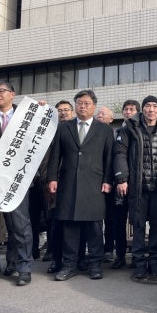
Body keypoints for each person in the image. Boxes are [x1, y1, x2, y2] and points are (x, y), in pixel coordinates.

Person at [47, 89, 113, 281]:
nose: (82, 106)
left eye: (86, 103)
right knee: (70, 226)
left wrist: (108, 180)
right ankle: (69, 265)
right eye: (79, 103)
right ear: (75, 106)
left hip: (94, 185)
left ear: (93, 106)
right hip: (68, 184)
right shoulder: (64, 128)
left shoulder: (104, 130)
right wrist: (52, 178)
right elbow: (55, 155)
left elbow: (109, 158)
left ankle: (95, 264)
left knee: (94, 228)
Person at [113, 95, 157, 279]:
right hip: (138, 187)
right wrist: (122, 178)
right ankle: (139, 262)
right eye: (148, 106)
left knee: (156, 225)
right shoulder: (130, 128)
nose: (151, 110)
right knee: (139, 225)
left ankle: (154, 261)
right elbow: (120, 154)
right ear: (143, 109)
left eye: (154, 106)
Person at [0, 81, 34, 286]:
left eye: (2, 91)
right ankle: (10, 262)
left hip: (16, 181)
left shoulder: (26, 118)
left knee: (20, 225)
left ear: (12, 94)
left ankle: (23, 267)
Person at [44, 100, 75, 274]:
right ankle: (56, 259)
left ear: (72, 112)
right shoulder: (49, 131)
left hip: (75, 184)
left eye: (66, 110)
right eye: (59, 110)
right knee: (55, 224)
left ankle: (77, 258)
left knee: (76, 224)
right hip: (54, 184)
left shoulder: (77, 129)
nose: (63, 113)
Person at [111, 99, 140, 270]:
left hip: (137, 184)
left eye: (132, 109)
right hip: (120, 184)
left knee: (137, 221)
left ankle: (137, 257)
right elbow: (116, 156)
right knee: (118, 222)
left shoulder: (140, 130)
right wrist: (120, 179)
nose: (128, 112)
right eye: (126, 109)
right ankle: (120, 255)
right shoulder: (117, 131)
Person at [96, 106, 115, 263]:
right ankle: (94, 249)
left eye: (103, 114)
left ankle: (109, 249)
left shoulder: (114, 134)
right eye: (99, 113)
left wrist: (108, 180)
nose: (99, 115)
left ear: (111, 119)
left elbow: (111, 160)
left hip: (108, 182)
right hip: (91, 182)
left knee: (109, 218)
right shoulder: (91, 131)